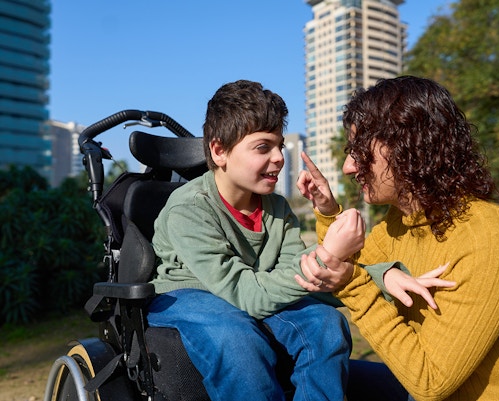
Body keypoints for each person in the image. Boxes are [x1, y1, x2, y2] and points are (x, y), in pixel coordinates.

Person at [146, 79, 367, 401]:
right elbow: (248, 295)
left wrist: (380, 276)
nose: (279, 157)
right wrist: (328, 254)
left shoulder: (276, 207)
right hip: (188, 294)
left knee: (325, 324)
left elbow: (293, 273)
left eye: (279, 145)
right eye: (263, 147)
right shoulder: (188, 208)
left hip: (253, 290)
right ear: (219, 151)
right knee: (236, 337)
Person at [296, 76, 499, 401]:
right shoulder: (401, 221)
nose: (348, 168)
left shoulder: (486, 235)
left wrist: (354, 284)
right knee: (305, 373)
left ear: (406, 146)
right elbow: (344, 261)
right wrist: (327, 210)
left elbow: (430, 382)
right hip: (413, 385)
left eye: (358, 151)